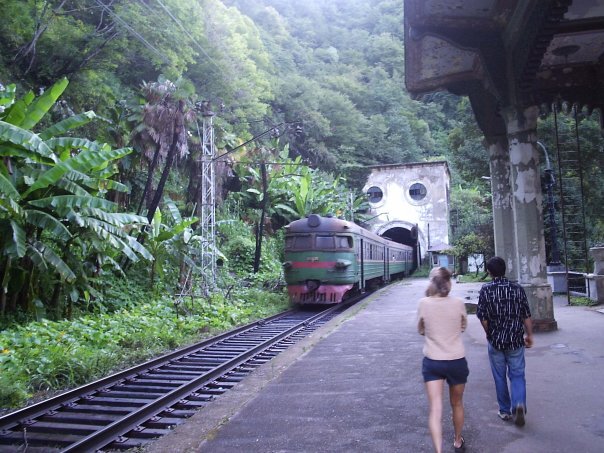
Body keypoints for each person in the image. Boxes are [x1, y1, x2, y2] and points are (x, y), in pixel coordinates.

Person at [477, 256, 533, 427]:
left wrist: (489, 334)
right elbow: (526, 315)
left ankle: (505, 410)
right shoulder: (517, 289)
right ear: (504, 270)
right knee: (517, 375)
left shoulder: (486, 290)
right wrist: (529, 335)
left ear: (489, 272)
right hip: (515, 340)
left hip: (496, 341)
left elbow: (483, 317)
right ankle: (519, 404)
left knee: (499, 376)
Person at [417, 267, 468, 453]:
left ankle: (438, 450)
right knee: (457, 403)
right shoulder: (458, 303)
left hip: (433, 361)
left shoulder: (424, 303)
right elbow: (463, 326)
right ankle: (457, 441)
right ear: (448, 283)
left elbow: (421, 329)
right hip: (456, 360)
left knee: (436, 409)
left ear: (432, 283)